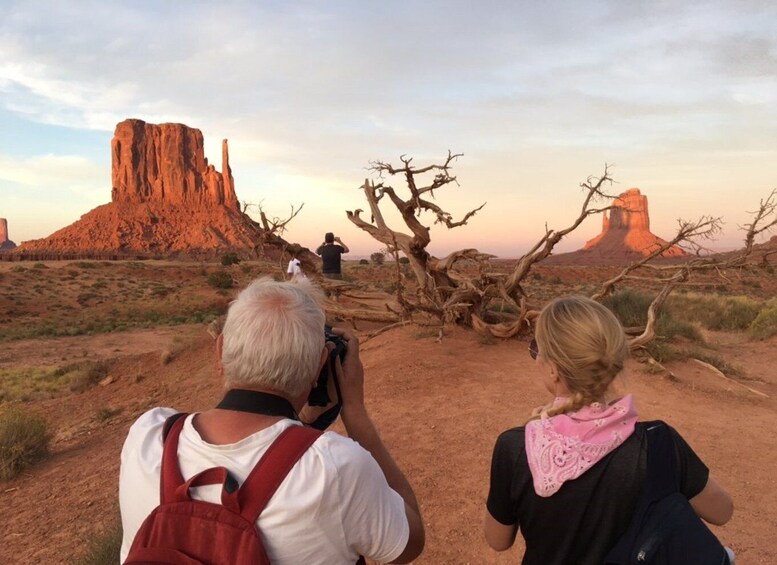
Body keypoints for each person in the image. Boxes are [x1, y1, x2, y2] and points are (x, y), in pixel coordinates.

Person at [119, 278, 424, 564]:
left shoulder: (150, 435)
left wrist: (302, 423)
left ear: (220, 350)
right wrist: (355, 414)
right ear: (320, 365)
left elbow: (254, 451)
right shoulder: (336, 468)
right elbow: (409, 544)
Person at [483, 295, 734, 564]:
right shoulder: (660, 443)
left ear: (554, 369)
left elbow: (498, 541)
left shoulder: (515, 449)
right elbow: (722, 511)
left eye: (537, 349)